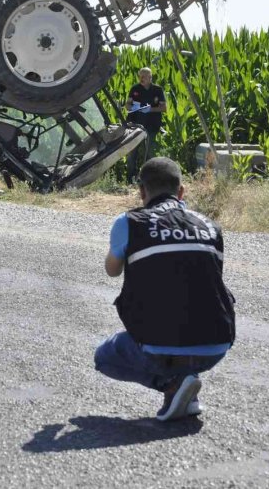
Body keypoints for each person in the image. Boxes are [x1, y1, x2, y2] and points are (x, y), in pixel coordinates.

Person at [95, 157, 236, 421]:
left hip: (160, 346)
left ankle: (171, 386)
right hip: (216, 345)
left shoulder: (129, 222)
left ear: (142, 192)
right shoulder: (210, 226)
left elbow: (112, 270)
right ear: (182, 192)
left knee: (104, 357)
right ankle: (185, 388)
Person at [125, 67, 167, 184]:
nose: (141, 78)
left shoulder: (157, 90)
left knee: (149, 153)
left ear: (150, 77)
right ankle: (130, 179)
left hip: (152, 125)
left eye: (144, 76)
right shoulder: (135, 89)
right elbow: (127, 105)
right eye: (140, 76)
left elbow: (164, 108)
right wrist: (134, 108)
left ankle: (148, 180)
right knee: (132, 152)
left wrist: (150, 109)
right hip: (135, 125)